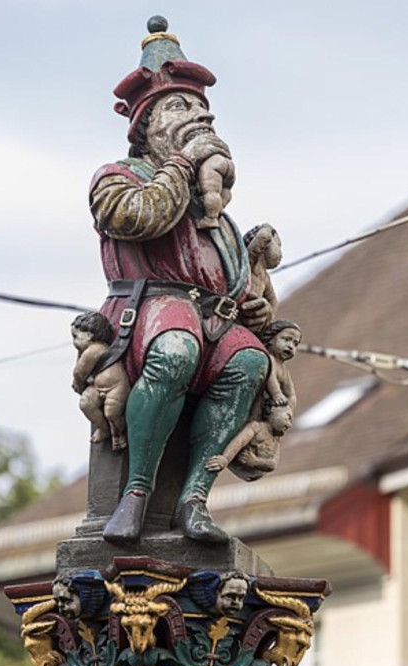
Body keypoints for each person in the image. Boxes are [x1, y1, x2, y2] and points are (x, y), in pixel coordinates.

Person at [89, 16, 274, 545]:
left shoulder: (215, 209)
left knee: (250, 360)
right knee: (175, 348)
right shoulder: (119, 177)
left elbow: (232, 277)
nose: (197, 117)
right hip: (150, 306)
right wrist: (181, 165)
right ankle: (138, 493)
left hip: (213, 314)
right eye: (179, 107)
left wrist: (250, 302)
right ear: (146, 126)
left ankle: (195, 497)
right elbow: (139, 219)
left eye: (200, 110)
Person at [71, 312, 130, 451]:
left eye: (75, 336)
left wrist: (78, 384)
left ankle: (117, 434)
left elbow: (80, 371)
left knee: (112, 413)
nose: (73, 342)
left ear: (90, 335)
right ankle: (103, 428)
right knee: (86, 404)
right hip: (97, 387)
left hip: (115, 388)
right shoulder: (86, 350)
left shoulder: (95, 349)